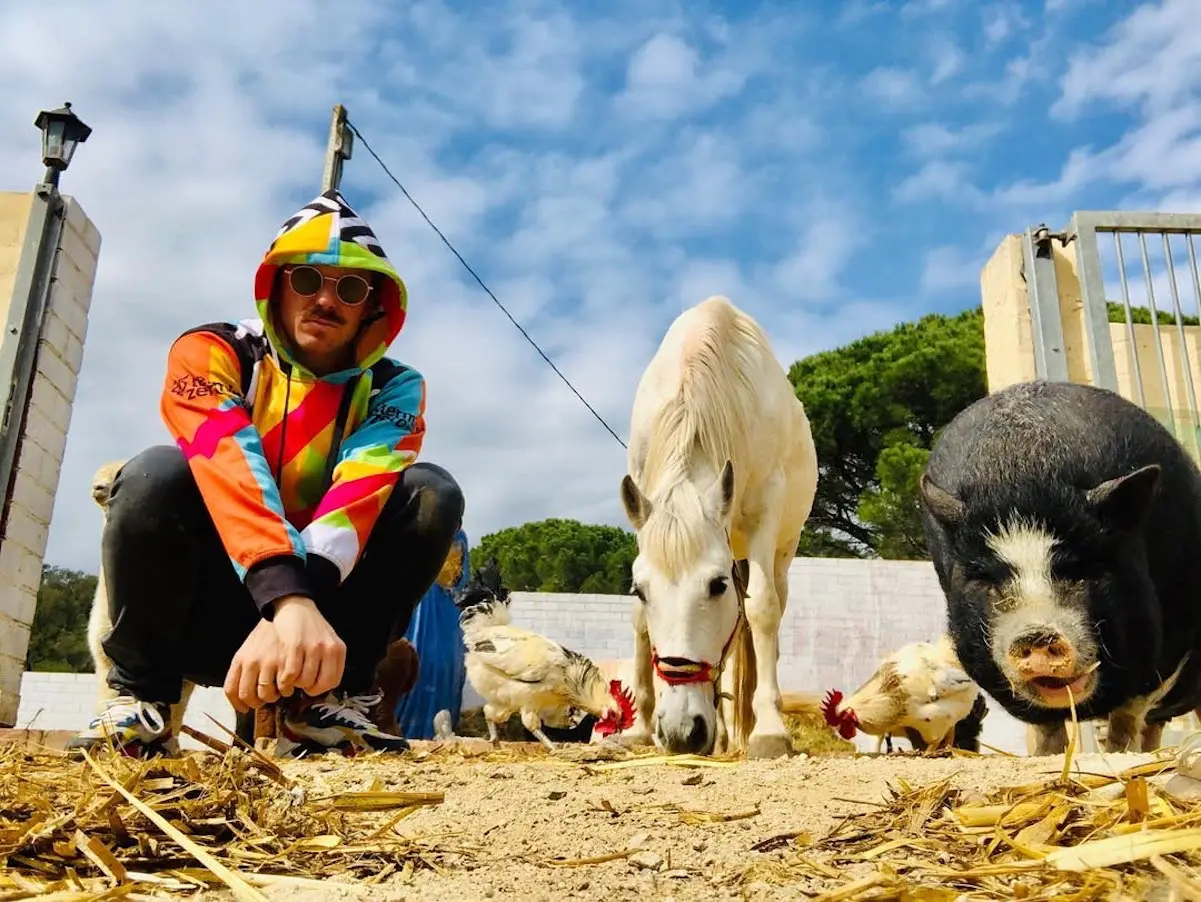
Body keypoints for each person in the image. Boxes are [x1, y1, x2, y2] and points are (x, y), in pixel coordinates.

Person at [67, 189, 465, 758]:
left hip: (319, 631)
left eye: (349, 289)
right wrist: (285, 600)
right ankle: (140, 699)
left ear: (372, 307)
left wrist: (297, 608)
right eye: (307, 280)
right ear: (275, 285)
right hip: (210, 608)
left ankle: (334, 701)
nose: (326, 300)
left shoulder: (396, 387)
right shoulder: (211, 351)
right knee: (156, 473)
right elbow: (230, 467)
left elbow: (361, 491)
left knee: (431, 492)